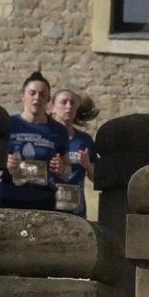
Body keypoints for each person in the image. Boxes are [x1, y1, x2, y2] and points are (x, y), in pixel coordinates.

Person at [0, 71, 69, 211]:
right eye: (32, 93)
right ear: (22, 96)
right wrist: (4, 161)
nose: (37, 97)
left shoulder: (59, 130)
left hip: (43, 200)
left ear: (48, 99)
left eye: (42, 94)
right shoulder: (8, 124)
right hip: (8, 196)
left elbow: (67, 170)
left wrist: (62, 168)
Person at [49, 88, 97, 218]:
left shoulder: (85, 140)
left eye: (72, 103)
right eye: (64, 102)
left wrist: (88, 165)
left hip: (75, 210)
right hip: (47, 206)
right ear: (52, 107)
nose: (68, 106)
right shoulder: (44, 136)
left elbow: (96, 178)